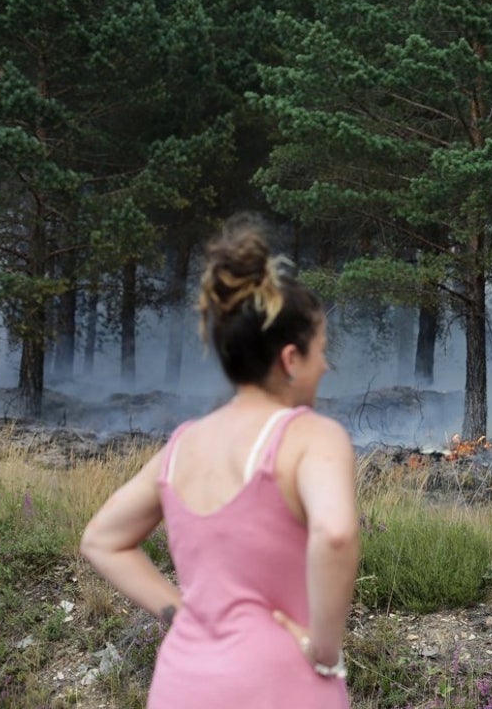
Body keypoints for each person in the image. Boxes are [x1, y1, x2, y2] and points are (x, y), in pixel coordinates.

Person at [81, 216, 360, 708]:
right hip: (279, 685)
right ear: (290, 359)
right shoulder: (313, 436)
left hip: (182, 682)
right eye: (321, 351)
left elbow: (102, 540)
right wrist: (323, 651)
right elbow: (336, 534)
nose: (326, 365)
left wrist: (179, 612)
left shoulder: (181, 446)